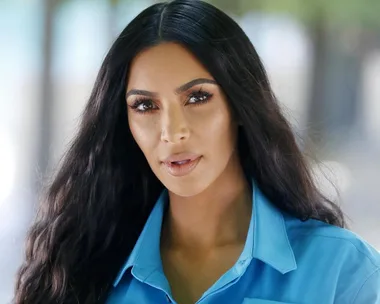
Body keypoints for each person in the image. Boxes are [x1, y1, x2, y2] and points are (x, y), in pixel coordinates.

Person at [14, 0, 380, 303]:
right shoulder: (77, 271)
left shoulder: (343, 271)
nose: (173, 133)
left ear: (239, 105)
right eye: (145, 106)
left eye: (198, 97)